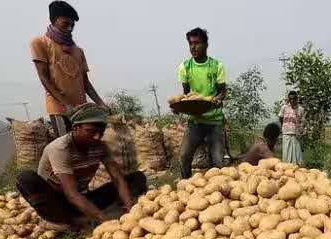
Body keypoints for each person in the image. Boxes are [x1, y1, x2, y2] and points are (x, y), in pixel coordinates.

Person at [16, 103, 147, 226]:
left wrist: (130, 209)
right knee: (26, 177)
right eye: (91, 131)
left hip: (81, 198)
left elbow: (118, 180)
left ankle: (85, 217)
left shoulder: (101, 146)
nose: (97, 137)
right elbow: (71, 195)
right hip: (59, 203)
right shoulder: (60, 148)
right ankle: (68, 221)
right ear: (75, 128)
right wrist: (105, 220)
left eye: (101, 132)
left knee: (136, 177)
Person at [30, 1, 106, 139]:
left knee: (83, 148)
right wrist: (66, 104)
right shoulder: (40, 43)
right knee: (66, 149)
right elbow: (44, 78)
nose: (70, 28)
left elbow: (85, 83)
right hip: (60, 109)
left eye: (72, 25)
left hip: (81, 111)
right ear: (53, 20)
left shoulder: (78, 50)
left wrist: (100, 103)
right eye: (65, 24)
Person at [177, 27, 227, 178]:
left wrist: (218, 98)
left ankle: (217, 191)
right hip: (195, 121)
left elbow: (222, 90)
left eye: (197, 43)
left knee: (218, 162)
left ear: (206, 44)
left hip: (214, 120)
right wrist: (180, 106)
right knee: (184, 157)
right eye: (191, 43)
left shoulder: (216, 66)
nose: (193, 47)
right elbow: (186, 94)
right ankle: (185, 185)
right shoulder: (185, 66)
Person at [278, 90, 306, 165]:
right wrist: (283, 126)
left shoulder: (300, 109)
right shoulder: (284, 108)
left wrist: (301, 130)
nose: (292, 100)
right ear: (288, 99)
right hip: (286, 133)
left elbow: (303, 121)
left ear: (296, 99)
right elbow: (280, 118)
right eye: (290, 98)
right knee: (286, 152)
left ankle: (297, 168)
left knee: (296, 153)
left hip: (296, 133)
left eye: (293, 98)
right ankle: (286, 168)